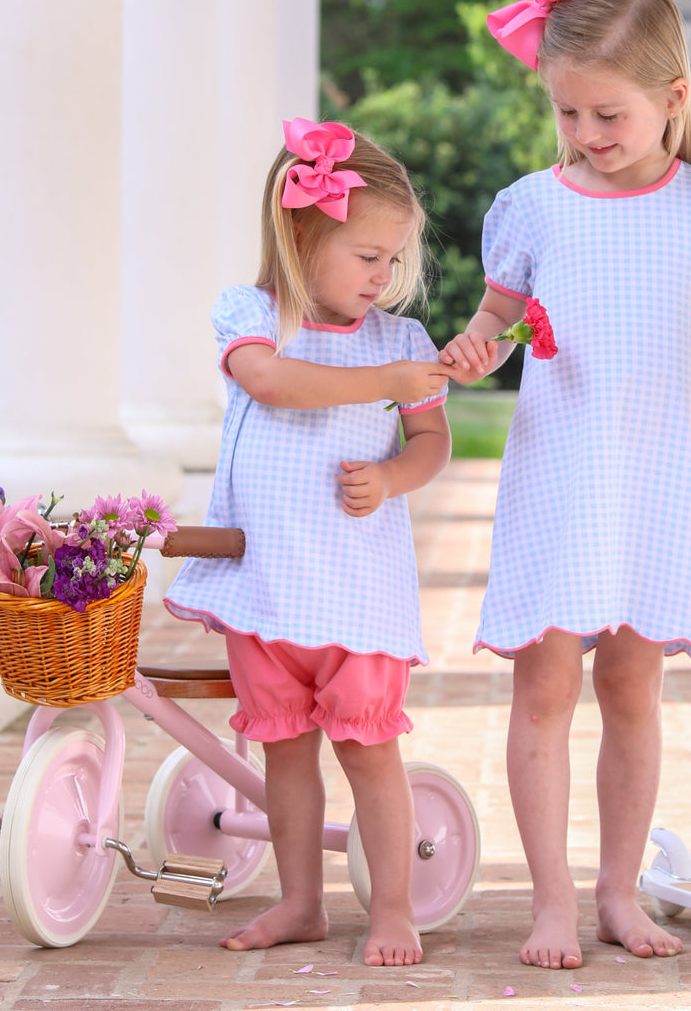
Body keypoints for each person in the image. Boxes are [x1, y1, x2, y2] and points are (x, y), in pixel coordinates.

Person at [440, 0, 691, 970]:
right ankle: (548, 899)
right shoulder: (531, 207)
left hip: (666, 475)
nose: (586, 136)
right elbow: (496, 321)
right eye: (567, 115)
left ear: (671, 98)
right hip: (565, 470)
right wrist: (474, 348)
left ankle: (616, 889)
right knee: (543, 690)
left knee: (632, 688)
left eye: (609, 115)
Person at [165, 118, 456, 966]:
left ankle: (394, 908)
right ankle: (300, 903)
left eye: (394, 259)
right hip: (269, 591)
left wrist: (395, 478)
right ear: (302, 234)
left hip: (356, 593)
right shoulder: (253, 315)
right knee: (285, 755)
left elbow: (432, 440)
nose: (385, 277)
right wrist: (386, 386)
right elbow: (273, 384)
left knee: (370, 754)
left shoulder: (402, 341)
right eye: (368, 256)